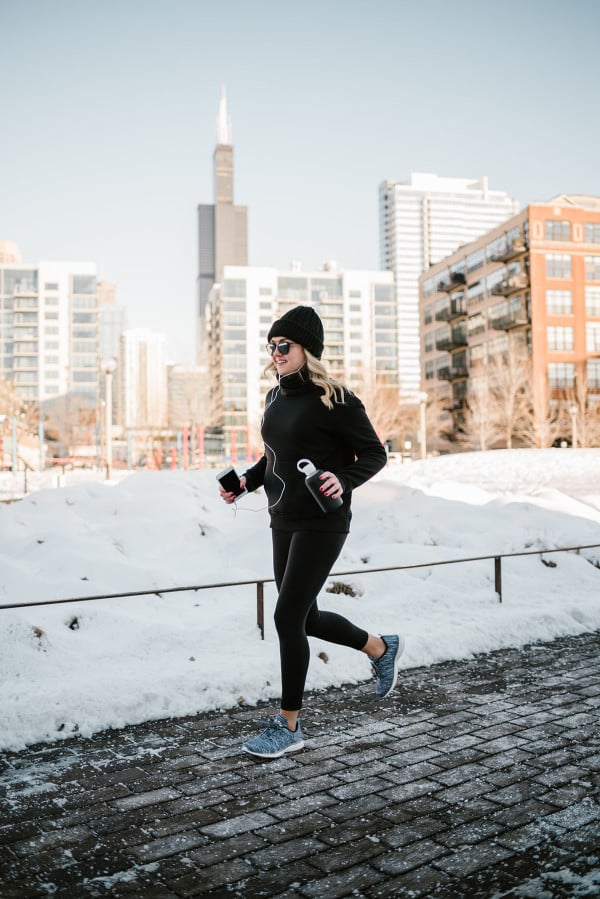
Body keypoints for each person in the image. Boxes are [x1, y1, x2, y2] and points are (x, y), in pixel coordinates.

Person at [219, 305, 404, 758]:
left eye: (284, 345)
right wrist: (245, 483)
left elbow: (374, 453)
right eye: (272, 346)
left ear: (308, 349)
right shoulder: (274, 398)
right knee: (306, 618)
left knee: (286, 617)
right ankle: (380, 648)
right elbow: (273, 457)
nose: (276, 353)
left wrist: (344, 478)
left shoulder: (335, 398)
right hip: (283, 517)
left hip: (323, 520)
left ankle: (289, 725)